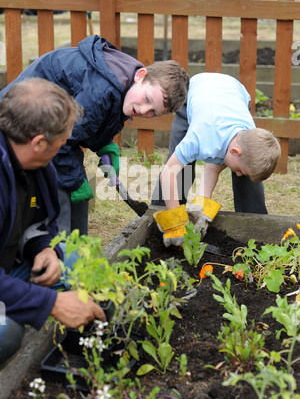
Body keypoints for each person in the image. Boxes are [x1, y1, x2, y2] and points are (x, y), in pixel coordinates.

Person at [0, 35, 190, 236]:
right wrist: (75, 182)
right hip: (19, 123)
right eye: (147, 99)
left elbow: (97, 118)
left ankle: (77, 249)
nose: (144, 110)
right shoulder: (104, 89)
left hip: (53, 126)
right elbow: (65, 143)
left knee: (76, 192)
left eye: (153, 112)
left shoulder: (126, 85)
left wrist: (104, 145)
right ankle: (59, 247)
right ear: (141, 75)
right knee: (62, 190)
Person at [0, 78, 106, 364]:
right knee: (4, 333)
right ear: (38, 142)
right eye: (62, 141)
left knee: (73, 260)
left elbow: (36, 223)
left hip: (7, 269)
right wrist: (52, 303)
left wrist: (43, 249)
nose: (65, 146)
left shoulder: (36, 165)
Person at [152, 72, 281, 247]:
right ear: (235, 151)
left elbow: (213, 167)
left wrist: (201, 210)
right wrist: (176, 222)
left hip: (233, 94)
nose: (239, 174)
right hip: (193, 94)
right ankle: (157, 219)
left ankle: (255, 228)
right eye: (240, 170)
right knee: (181, 169)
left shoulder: (249, 135)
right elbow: (169, 172)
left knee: (249, 179)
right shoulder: (198, 137)